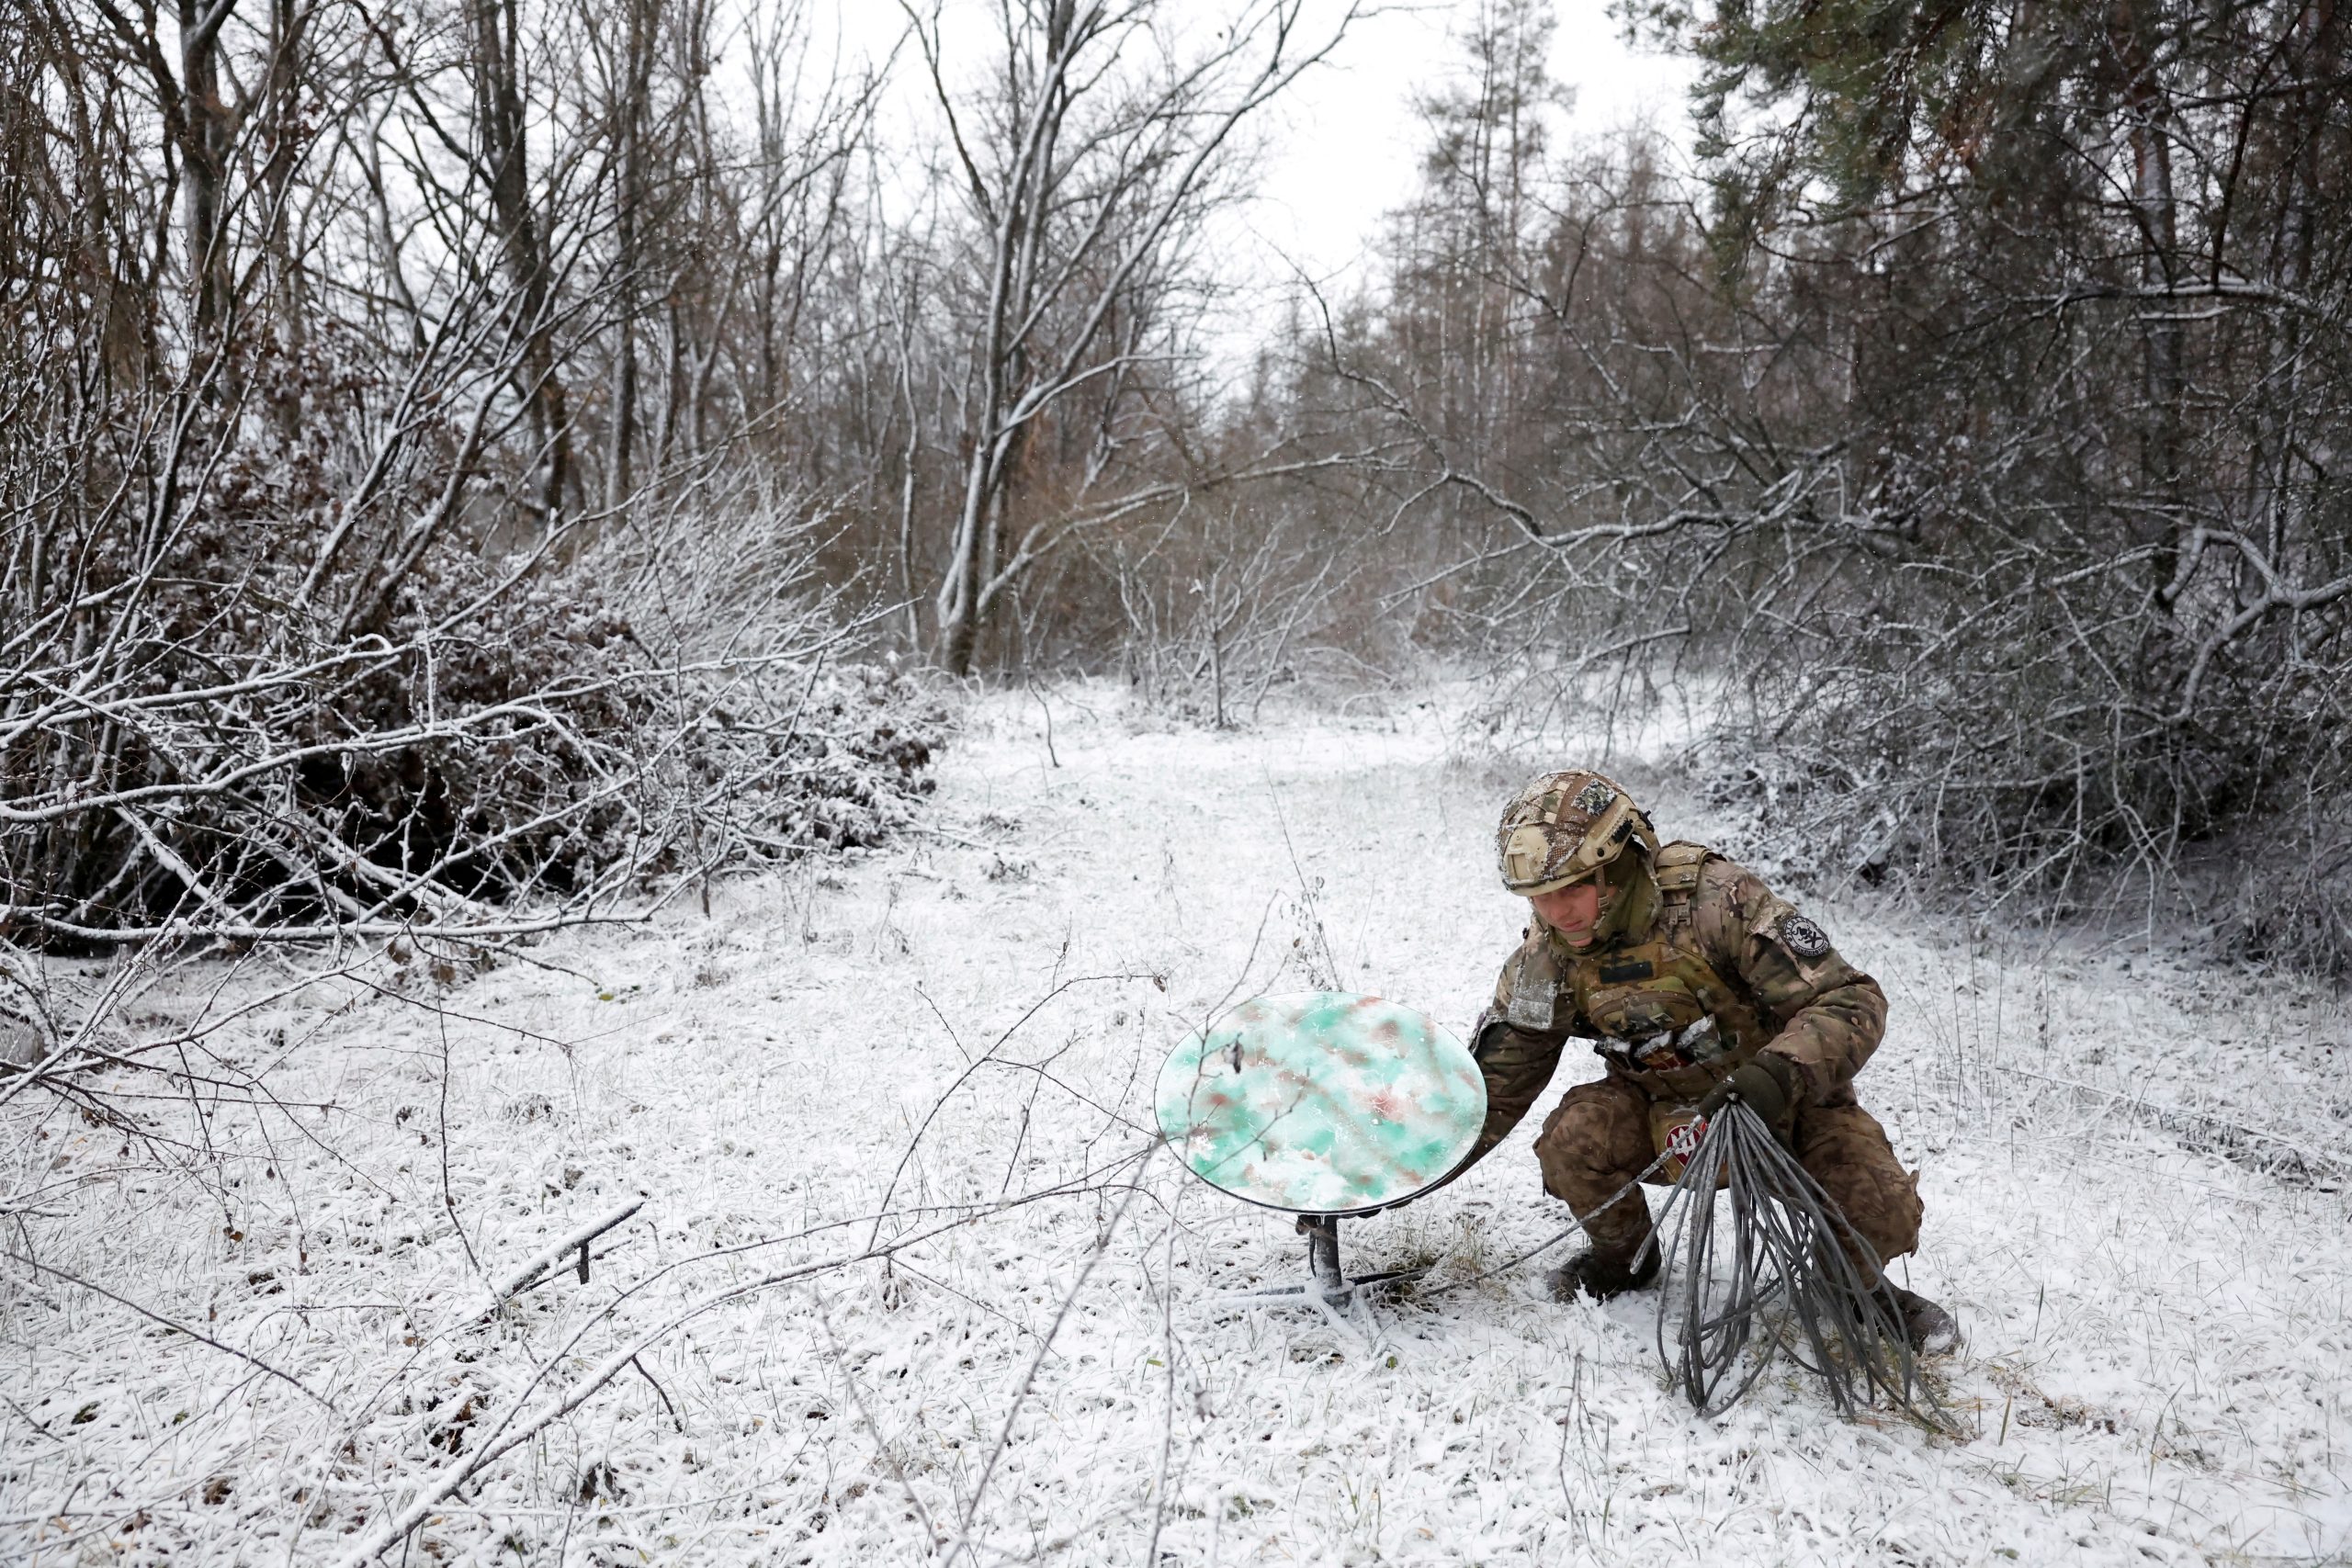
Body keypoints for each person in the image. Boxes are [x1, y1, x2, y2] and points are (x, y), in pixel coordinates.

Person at [1465, 768, 1960, 1353]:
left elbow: (1851, 998)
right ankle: (1623, 1262)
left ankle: (1854, 1289)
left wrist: (1775, 1076)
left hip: (1782, 1106)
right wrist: (1399, 1172)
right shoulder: (1546, 958)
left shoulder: (1715, 902)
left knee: (1880, 1206)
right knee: (1574, 1140)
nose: (1557, 913)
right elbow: (1496, 1085)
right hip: (1662, 1117)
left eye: (1572, 889)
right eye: (1539, 899)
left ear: (1617, 864)